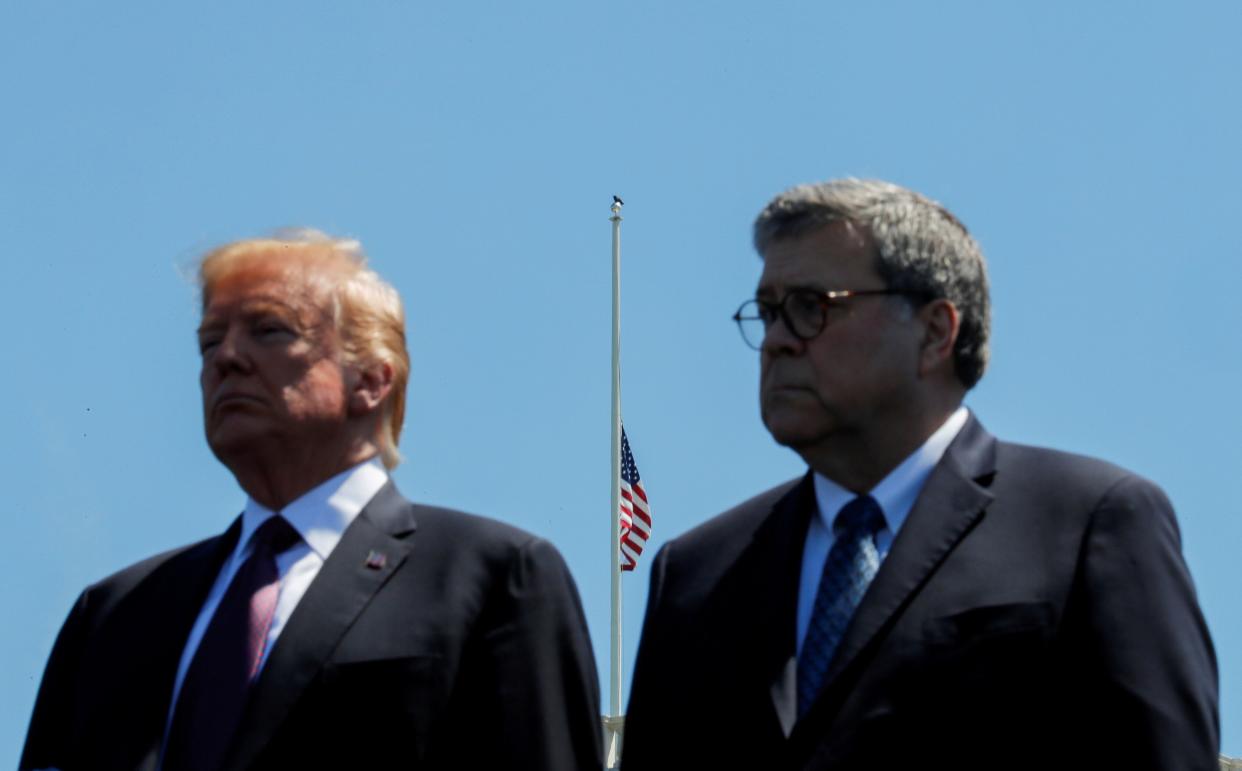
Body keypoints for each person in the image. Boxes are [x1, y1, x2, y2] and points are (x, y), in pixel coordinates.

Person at [622, 179, 1219, 770]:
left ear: (935, 332)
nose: (776, 341)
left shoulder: (1089, 523)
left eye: (812, 308)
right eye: (770, 312)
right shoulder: (697, 575)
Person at [21, 231, 602, 771]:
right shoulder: (116, 613)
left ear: (372, 379)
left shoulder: (492, 577)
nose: (226, 359)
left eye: (270, 330)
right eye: (209, 341)